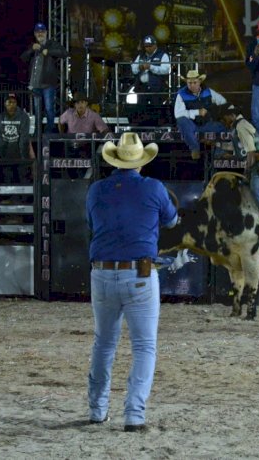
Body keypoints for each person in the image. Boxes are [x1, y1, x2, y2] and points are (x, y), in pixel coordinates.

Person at [86, 132, 178, 432]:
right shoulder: (153, 187)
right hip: (138, 274)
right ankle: (134, 415)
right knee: (144, 347)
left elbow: (92, 223)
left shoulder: (96, 190)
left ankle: (97, 410)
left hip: (101, 273)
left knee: (104, 344)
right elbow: (171, 220)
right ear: (142, 162)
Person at [217, 104, 259, 238]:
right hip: (256, 162)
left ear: (230, 116)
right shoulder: (240, 125)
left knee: (257, 191)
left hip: (258, 164)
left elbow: (251, 152)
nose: (224, 122)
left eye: (224, 119)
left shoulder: (240, 126)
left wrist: (247, 171)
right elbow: (243, 149)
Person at [20, 22, 69, 133]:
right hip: (35, 84)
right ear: (35, 34)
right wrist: (31, 50)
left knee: (49, 109)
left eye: (42, 32)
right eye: (38, 32)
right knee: (37, 111)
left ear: (46, 33)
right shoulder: (33, 46)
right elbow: (23, 58)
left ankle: (48, 133)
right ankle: (38, 133)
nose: (40, 34)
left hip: (48, 83)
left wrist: (49, 51)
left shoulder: (51, 44)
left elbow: (65, 53)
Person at [174, 70, 228, 160]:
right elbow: (178, 114)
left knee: (222, 126)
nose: (192, 85)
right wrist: (197, 112)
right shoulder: (181, 94)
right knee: (181, 121)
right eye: (189, 83)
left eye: (195, 82)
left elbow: (223, 101)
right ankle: (195, 148)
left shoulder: (208, 92)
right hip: (191, 125)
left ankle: (219, 150)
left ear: (199, 82)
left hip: (206, 124)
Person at [0, 93, 34, 184]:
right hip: (4, 154)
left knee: (21, 181)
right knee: (5, 181)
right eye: (9, 102)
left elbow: (25, 139)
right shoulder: (1, 117)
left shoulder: (23, 117)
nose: (11, 104)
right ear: (5, 103)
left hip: (19, 155)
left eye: (14, 102)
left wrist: (28, 157)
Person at [129, 35, 171, 125]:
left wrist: (151, 67)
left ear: (155, 45)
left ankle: (157, 129)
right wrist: (139, 67)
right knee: (141, 109)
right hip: (142, 87)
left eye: (150, 46)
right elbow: (133, 69)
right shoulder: (141, 56)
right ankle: (142, 128)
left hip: (156, 87)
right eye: (146, 46)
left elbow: (166, 69)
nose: (148, 48)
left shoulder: (162, 55)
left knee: (156, 109)